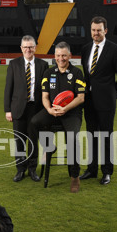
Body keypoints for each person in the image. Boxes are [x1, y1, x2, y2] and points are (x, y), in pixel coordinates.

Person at [30, 41, 85, 193]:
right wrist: (49, 109)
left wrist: (65, 108)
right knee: (34, 122)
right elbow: (45, 96)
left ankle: (74, 176)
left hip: (71, 113)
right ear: (54, 56)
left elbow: (80, 98)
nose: (61, 59)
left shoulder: (77, 73)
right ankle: (49, 147)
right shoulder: (48, 73)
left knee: (72, 139)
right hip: (52, 111)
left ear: (70, 56)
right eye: (58, 56)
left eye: (64, 56)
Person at [79, 16, 117, 185]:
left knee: (106, 136)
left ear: (105, 31)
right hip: (89, 101)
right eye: (93, 30)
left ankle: (107, 171)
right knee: (91, 135)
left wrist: (113, 93)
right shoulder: (86, 49)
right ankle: (91, 169)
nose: (96, 33)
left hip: (107, 101)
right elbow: (87, 75)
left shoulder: (115, 49)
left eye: (99, 30)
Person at [4, 35, 49, 182]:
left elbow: (45, 89)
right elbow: (8, 88)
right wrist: (7, 110)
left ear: (35, 47)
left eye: (31, 46)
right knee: (19, 141)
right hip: (18, 109)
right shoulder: (14, 64)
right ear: (21, 48)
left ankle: (32, 169)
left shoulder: (43, 65)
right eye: (25, 47)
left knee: (33, 140)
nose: (28, 49)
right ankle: (20, 170)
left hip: (36, 109)